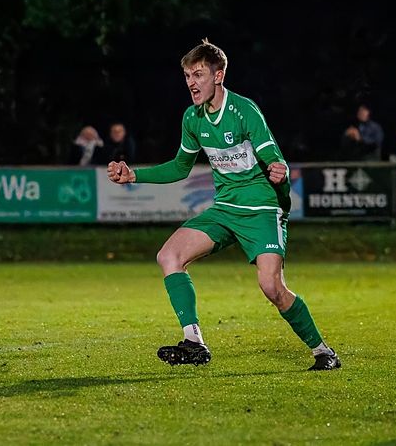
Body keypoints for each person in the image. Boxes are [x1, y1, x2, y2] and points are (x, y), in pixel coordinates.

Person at [107, 39, 340, 371]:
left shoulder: (244, 111)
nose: (191, 83)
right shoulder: (193, 118)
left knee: (271, 286)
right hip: (226, 208)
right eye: (187, 75)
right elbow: (179, 167)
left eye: (198, 74)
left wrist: (281, 179)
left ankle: (323, 351)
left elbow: (276, 161)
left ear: (219, 75)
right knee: (169, 255)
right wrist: (133, 176)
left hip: (260, 208)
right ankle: (194, 342)